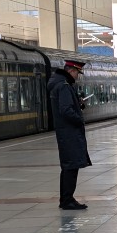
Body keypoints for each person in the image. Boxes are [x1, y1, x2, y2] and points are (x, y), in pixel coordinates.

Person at [48, 59, 91, 209]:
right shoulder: (64, 86)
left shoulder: (60, 84)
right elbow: (65, 110)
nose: (77, 76)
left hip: (65, 132)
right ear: (71, 71)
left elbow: (66, 106)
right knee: (71, 167)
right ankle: (67, 200)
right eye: (77, 73)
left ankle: (67, 199)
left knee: (69, 166)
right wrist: (79, 119)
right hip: (69, 132)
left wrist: (77, 104)